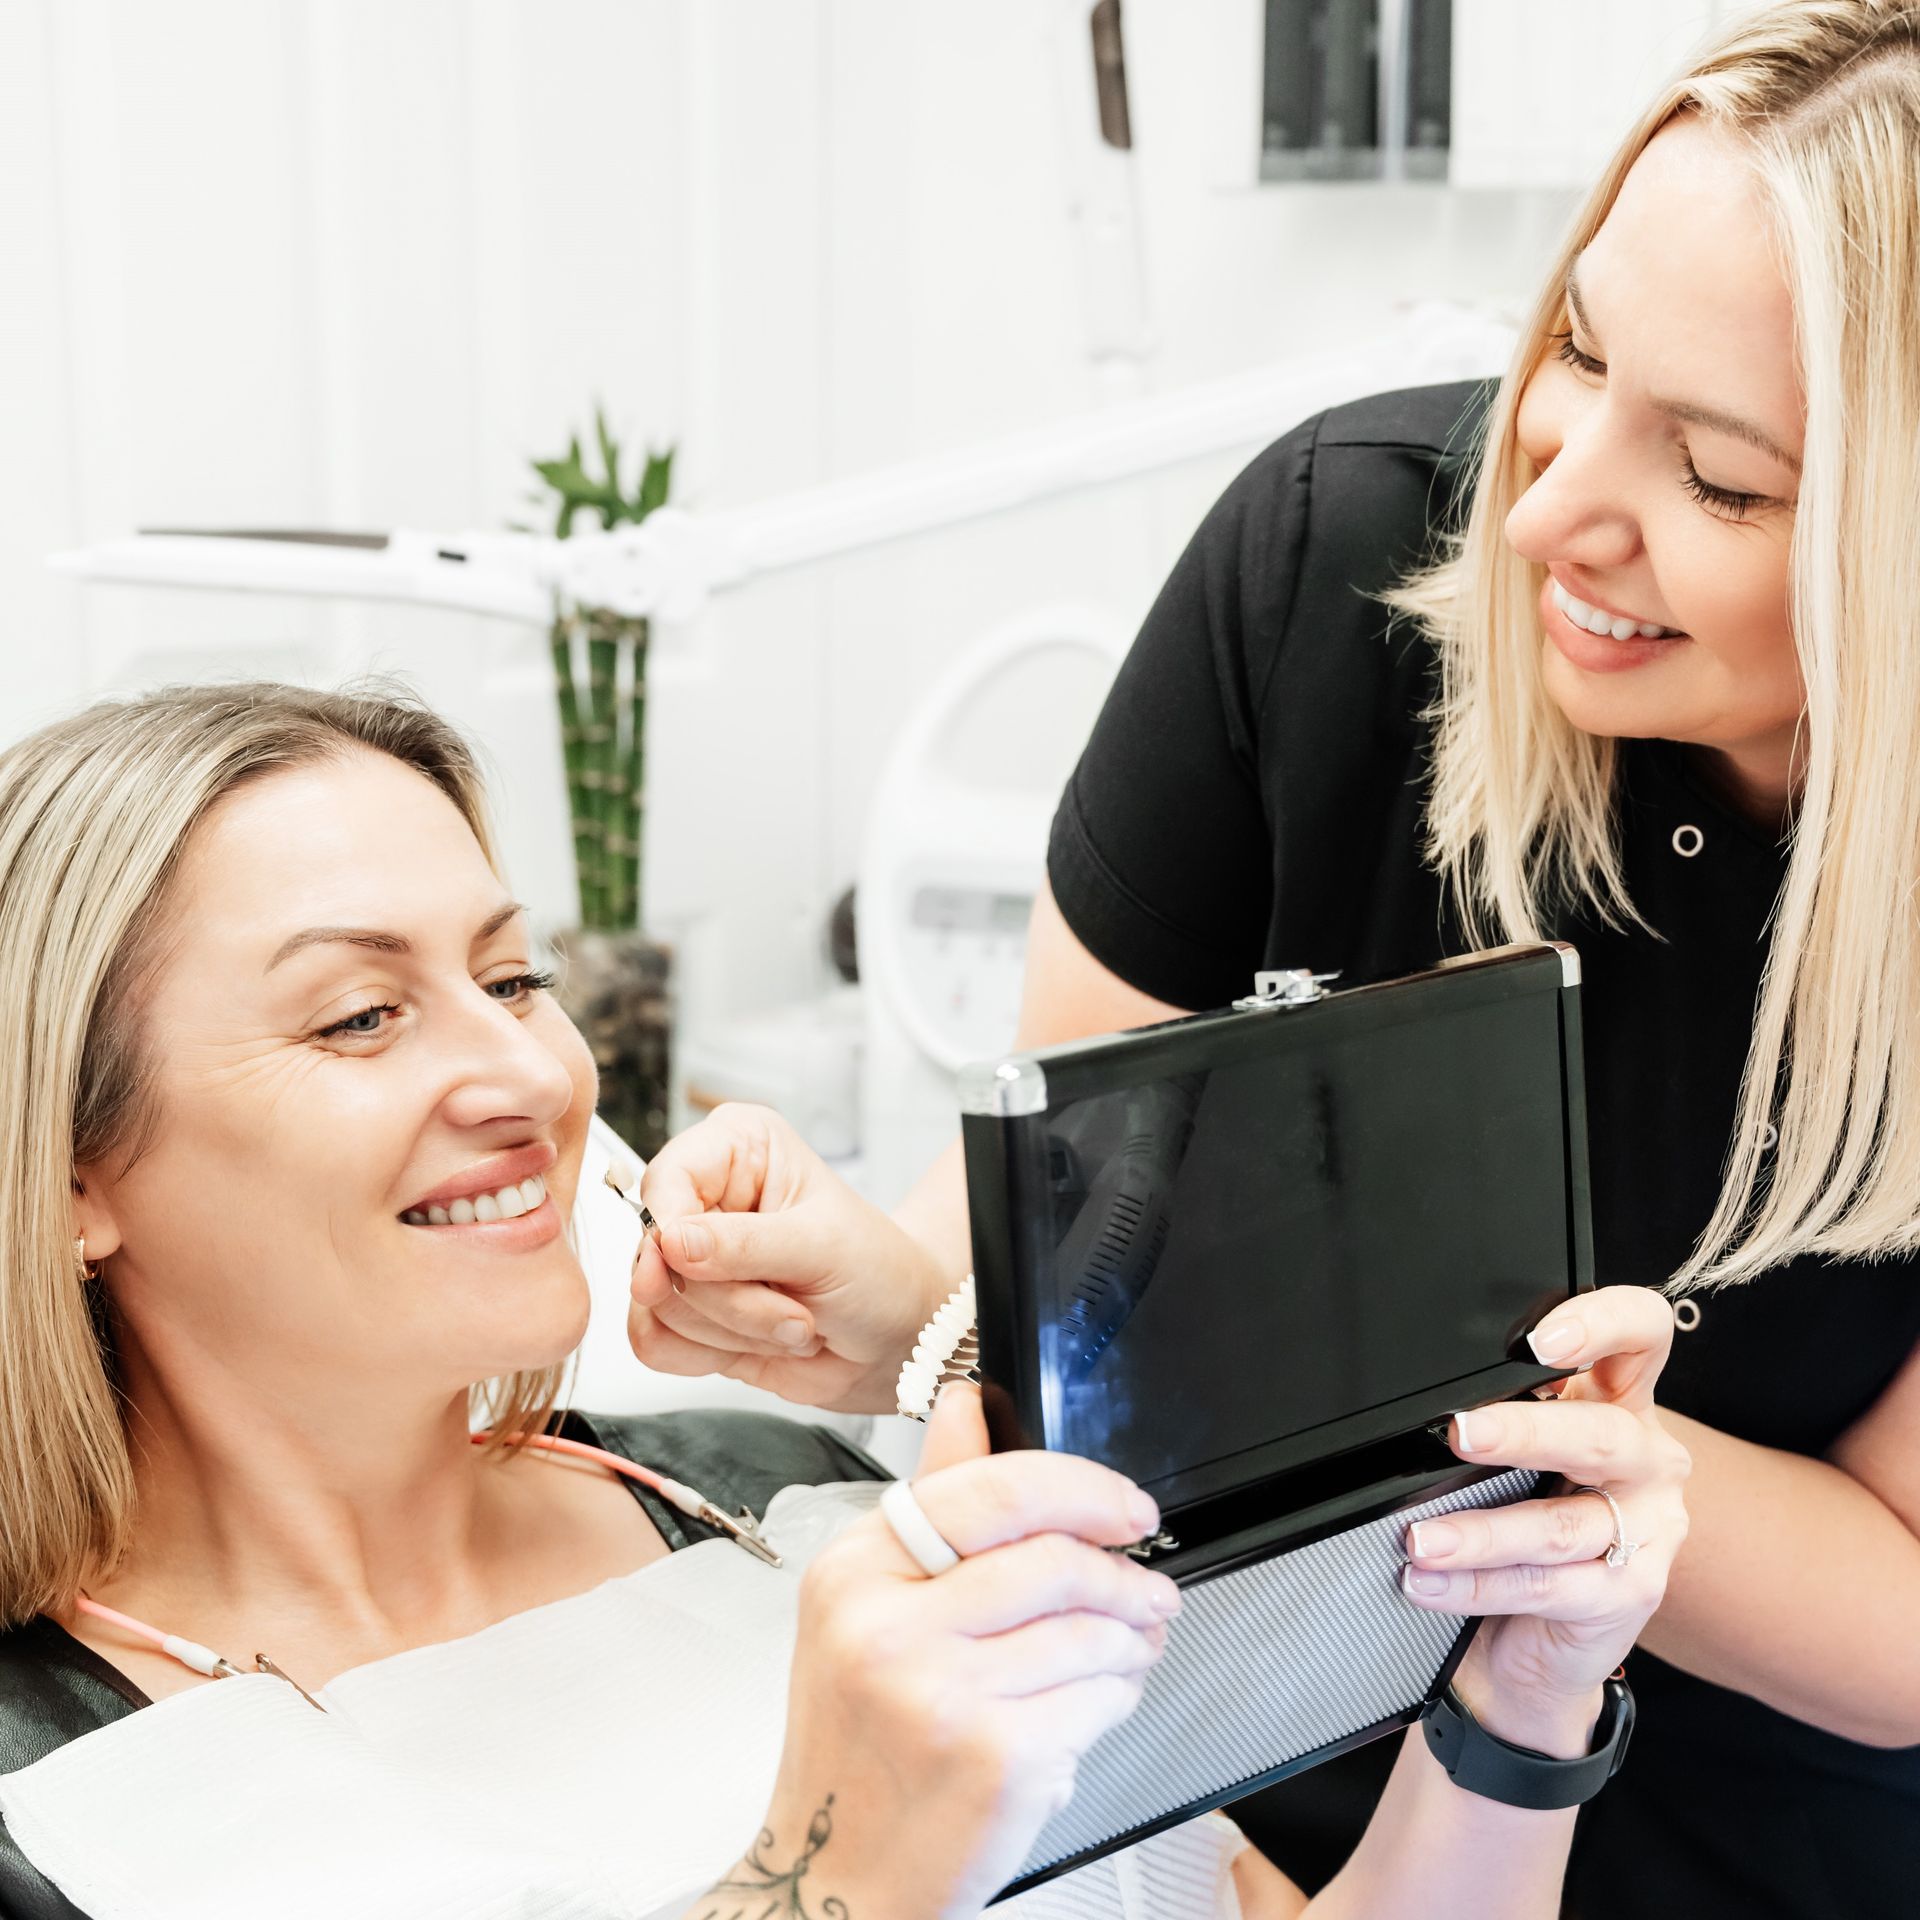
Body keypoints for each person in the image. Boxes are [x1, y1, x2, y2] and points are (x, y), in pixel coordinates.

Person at [625, 6, 1920, 1918]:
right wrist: (933, 1315)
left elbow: (1897, 1617)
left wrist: (1568, 1475)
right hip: (1214, 1794)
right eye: (1575, 344)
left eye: (1721, 479)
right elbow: (1084, 1233)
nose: (1546, 507)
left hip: (1744, 1842)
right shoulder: (1337, 563)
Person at [0, 681, 1685, 1919]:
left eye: (514, 977)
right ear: (75, 1171)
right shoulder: (56, 1805)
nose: (523, 1066)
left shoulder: (788, 1507)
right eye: (361, 1016)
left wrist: (1517, 1709)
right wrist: (847, 1868)